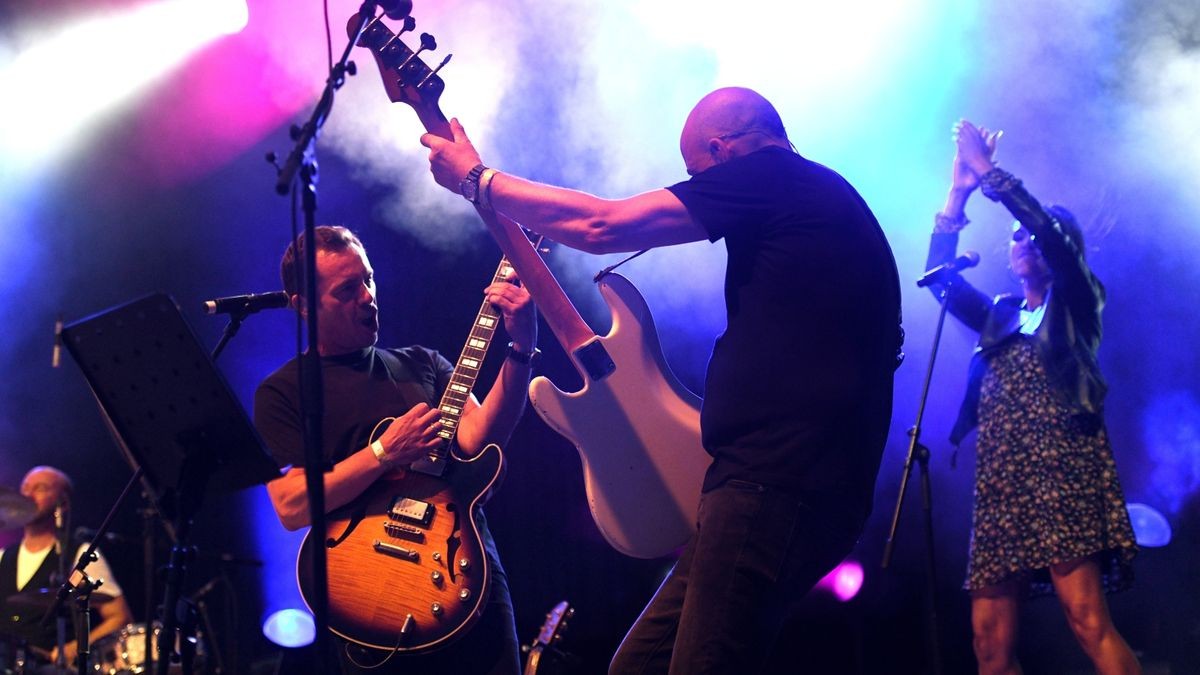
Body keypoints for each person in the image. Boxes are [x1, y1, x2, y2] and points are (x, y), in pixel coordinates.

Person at [421, 87, 903, 673]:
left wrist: (478, 179)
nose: (698, 189)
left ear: (723, 152)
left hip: (774, 486)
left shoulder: (771, 175)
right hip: (774, 488)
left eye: (696, 174)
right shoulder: (817, 198)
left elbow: (600, 225)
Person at [253, 225, 537, 674]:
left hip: (462, 569)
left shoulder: (423, 363)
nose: (367, 296)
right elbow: (290, 506)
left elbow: (481, 438)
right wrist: (385, 452)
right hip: (367, 587)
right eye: (347, 289)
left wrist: (521, 348)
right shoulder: (284, 391)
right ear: (303, 306)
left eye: (367, 279)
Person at [926, 120, 1141, 674]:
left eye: (1033, 238)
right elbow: (940, 281)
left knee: (1086, 619)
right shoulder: (1000, 314)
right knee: (988, 643)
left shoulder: (1079, 300)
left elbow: (1045, 227)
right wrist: (958, 192)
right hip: (1003, 477)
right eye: (1016, 238)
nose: (1022, 241)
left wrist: (991, 175)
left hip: (1061, 466)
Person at [0, 466, 134, 673]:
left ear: (62, 503)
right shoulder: (3, 556)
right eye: (25, 487)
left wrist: (74, 648)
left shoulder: (79, 553)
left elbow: (119, 616)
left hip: (47, 667)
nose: (28, 494)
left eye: (40, 488)